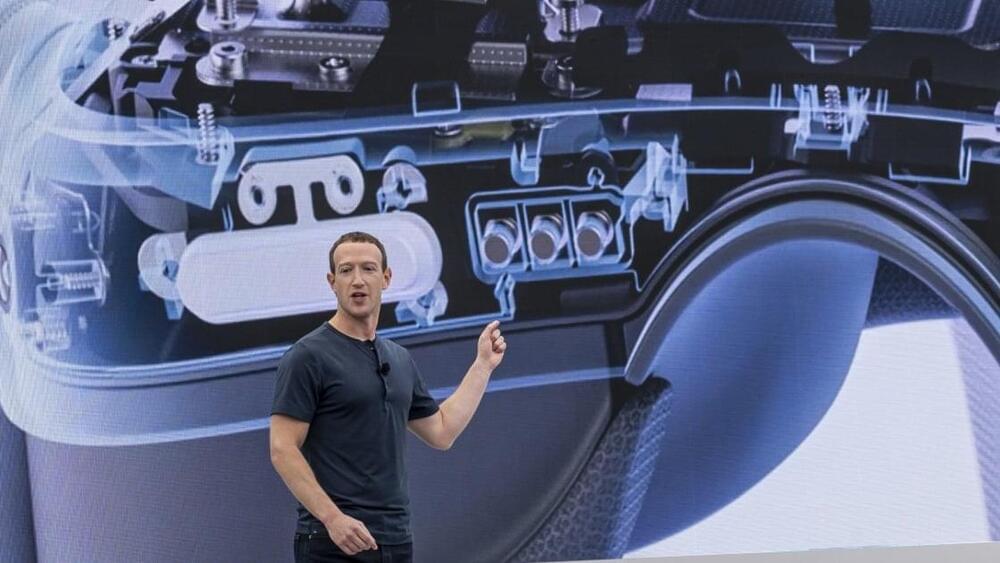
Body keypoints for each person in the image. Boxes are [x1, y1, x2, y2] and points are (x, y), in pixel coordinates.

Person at [270, 231, 506, 563]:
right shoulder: (307, 356)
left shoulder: (399, 358)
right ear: (332, 282)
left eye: (368, 269)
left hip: (395, 540)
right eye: (346, 270)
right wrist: (333, 519)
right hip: (331, 542)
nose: (357, 280)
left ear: (386, 278)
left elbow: (441, 432)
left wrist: (482, 366)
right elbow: (282, 448)